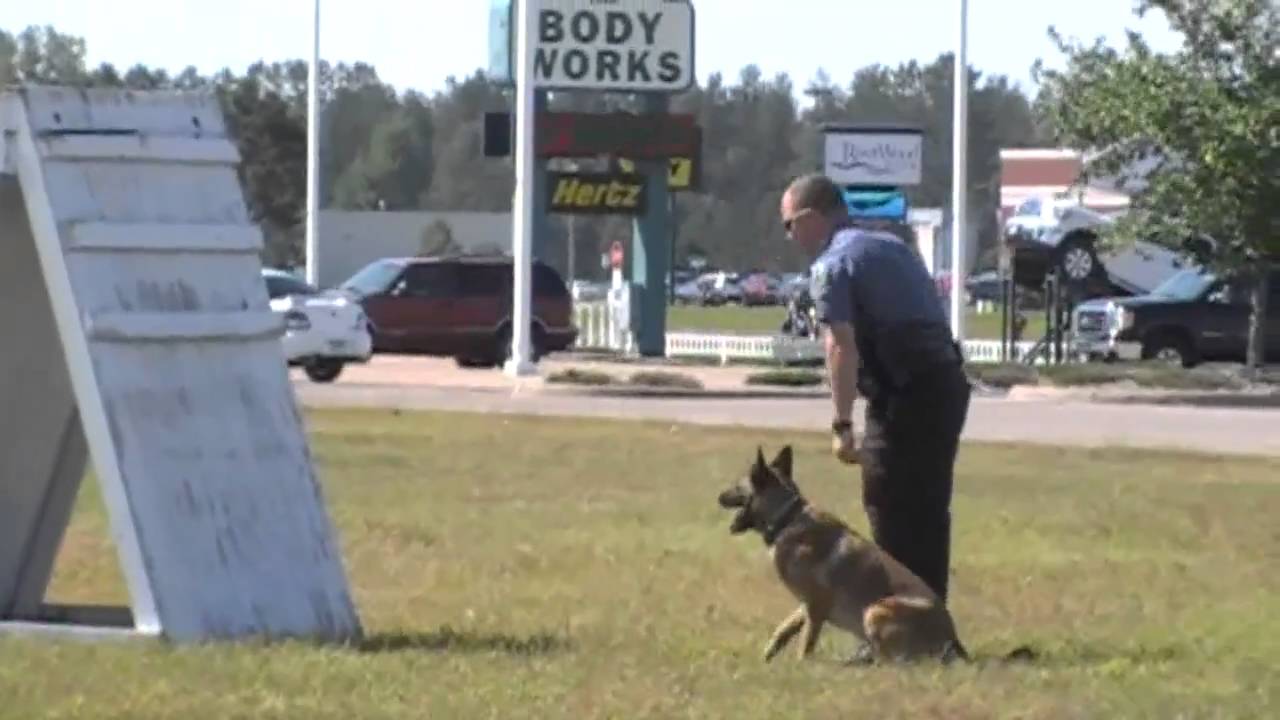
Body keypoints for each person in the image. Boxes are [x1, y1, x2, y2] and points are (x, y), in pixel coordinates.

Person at [779, 173, 971, 614]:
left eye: (789, 225)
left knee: (887, 501)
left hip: (905, 390)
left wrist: (843, 426)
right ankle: (930, 622)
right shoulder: (892, 246)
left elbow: (840, 346)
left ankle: (897, 621)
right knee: (927, 506)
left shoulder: (832, 265)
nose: (789, 237)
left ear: (810, 218)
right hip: (945, 384)